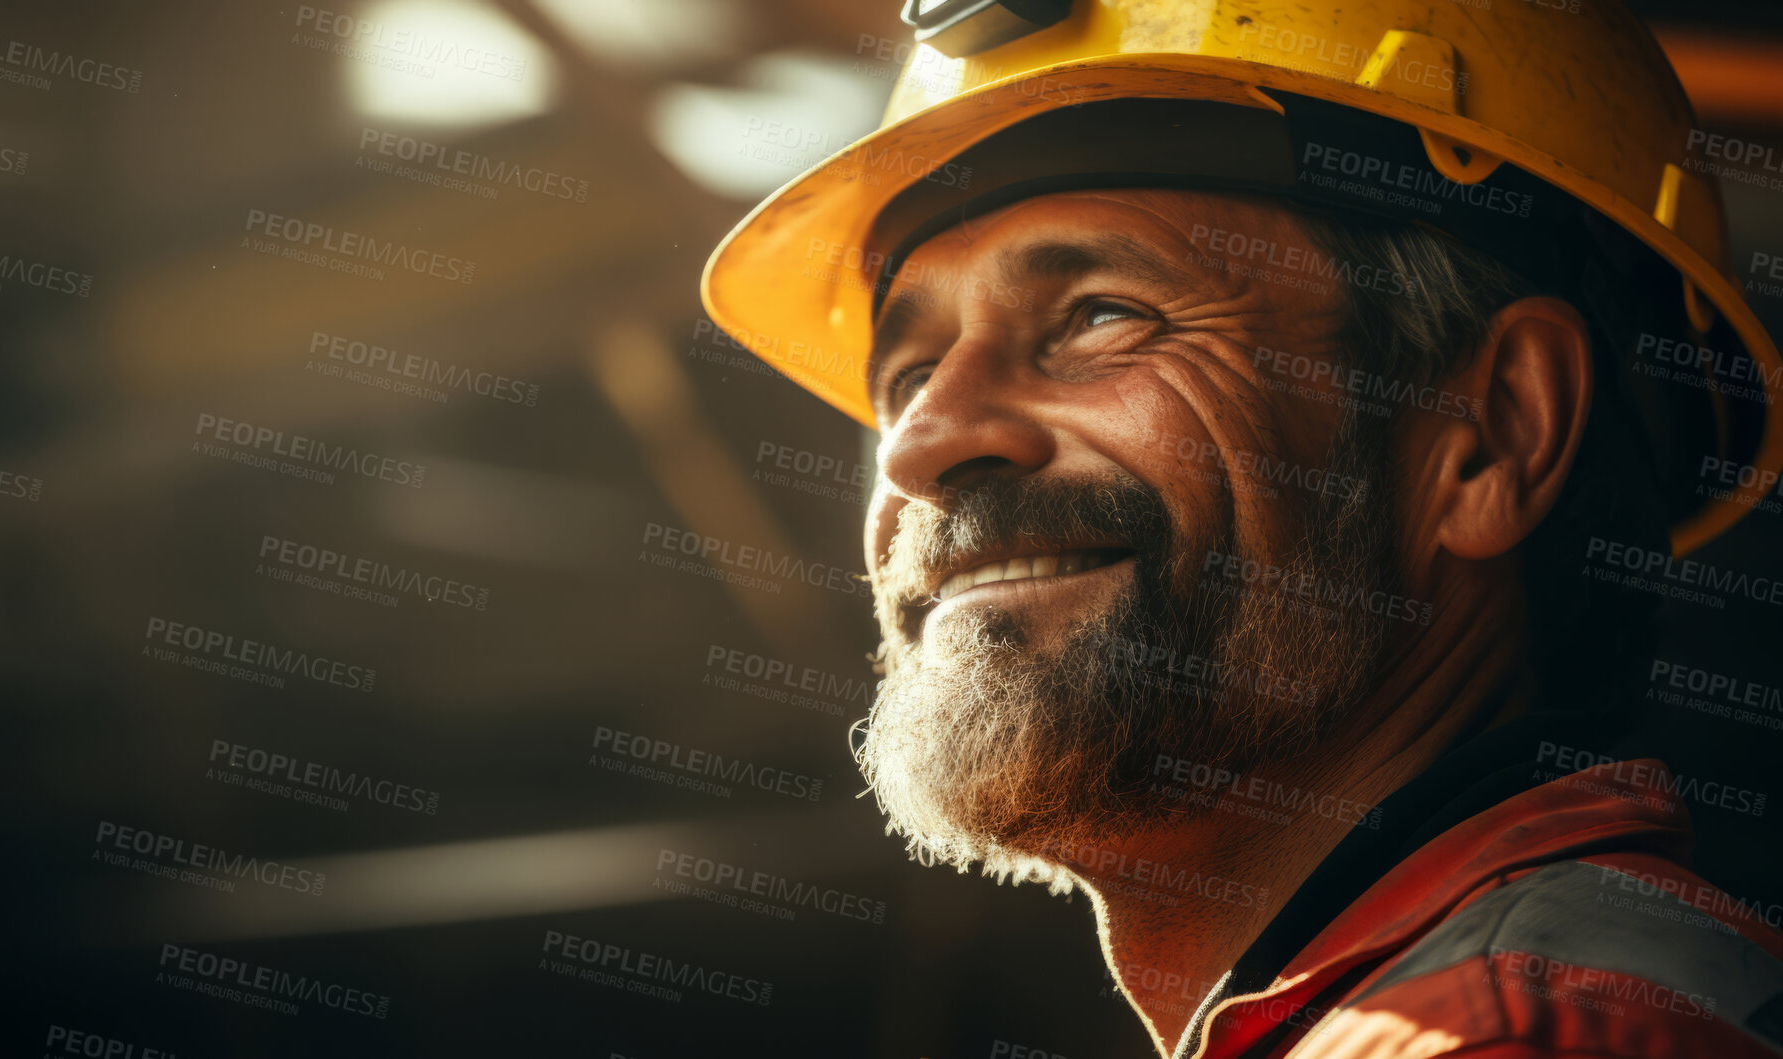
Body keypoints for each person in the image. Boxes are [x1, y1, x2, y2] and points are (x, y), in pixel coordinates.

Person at [702, 2, 1783, 1055]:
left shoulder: (1512, 1036)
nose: (916, 445)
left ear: (1492, 435)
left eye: (1100, 316)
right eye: (909, 373)